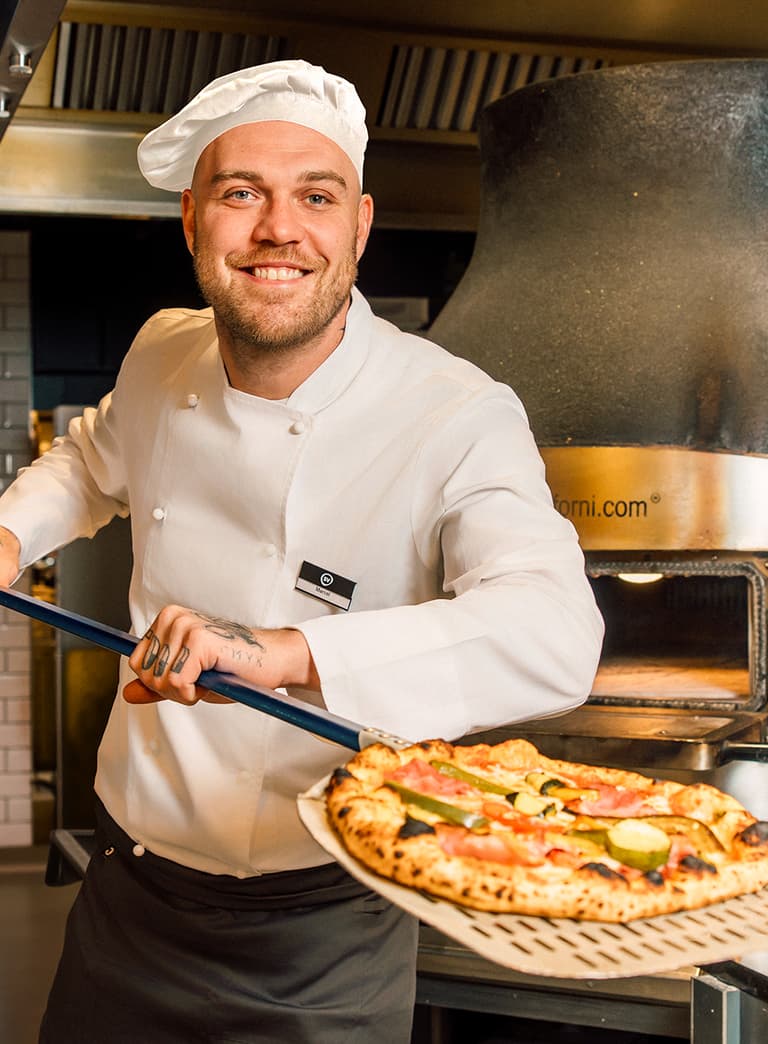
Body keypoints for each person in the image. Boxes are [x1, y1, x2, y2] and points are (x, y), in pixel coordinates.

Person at [0, 60, 603, 1044]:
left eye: (314, 197)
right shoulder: (163, 350)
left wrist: (279, 653)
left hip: (327, 926)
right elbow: (91, 459)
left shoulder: (457, 414)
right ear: (192, 221)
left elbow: (556, 633)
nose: (279, 229)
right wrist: (12, 532)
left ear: (358, 226)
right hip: (128, 896)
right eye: (242, 195)